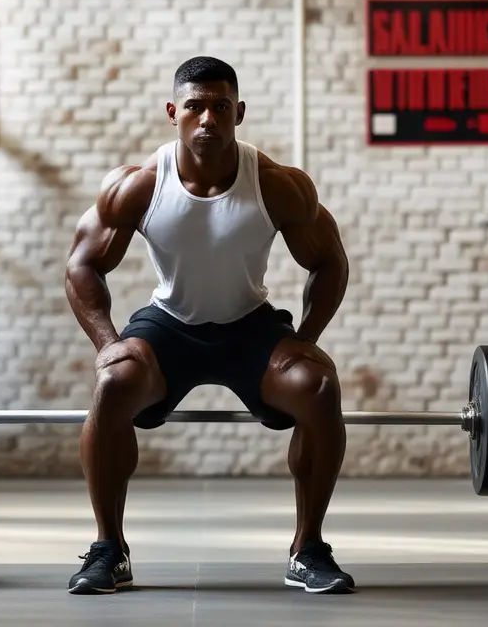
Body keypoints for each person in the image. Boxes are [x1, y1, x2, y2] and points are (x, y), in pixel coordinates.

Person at [62, 56, 354, 595]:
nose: (207, 119)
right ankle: (109, 549)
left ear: (238, 113)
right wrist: (107, 343)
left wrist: (304, 340)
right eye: (194, 106)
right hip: (169, 327)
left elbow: (330, 261)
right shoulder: (140, 184)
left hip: (252, 329)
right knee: (113, 384)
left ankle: (308, 549)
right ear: (173, 112)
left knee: (318, 385)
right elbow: (82, 265)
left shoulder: (276, 184)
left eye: (220, 107)